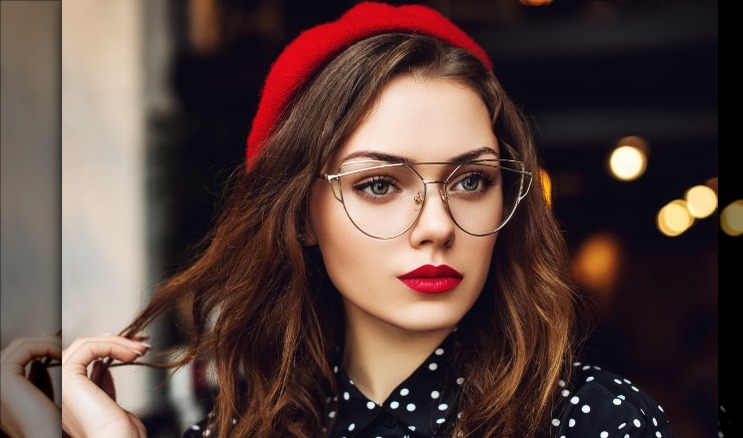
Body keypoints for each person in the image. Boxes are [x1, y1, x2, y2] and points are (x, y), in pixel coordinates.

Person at [60, 2, 674, 437]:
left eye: (471, 180)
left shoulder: (597, 421)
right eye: (379, 184)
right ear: (301, 215)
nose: (437, 226)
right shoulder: (231, 432)